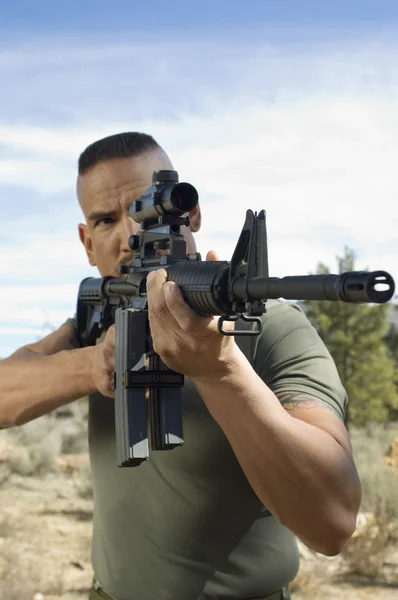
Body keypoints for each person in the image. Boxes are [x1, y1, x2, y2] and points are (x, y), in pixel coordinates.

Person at [0, 132, 362, 600]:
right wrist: (95, 363)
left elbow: (331, 523)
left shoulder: (270, 328)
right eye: (106, 220)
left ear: (189, 215)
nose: (130, 233)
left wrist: (221, 371)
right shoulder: (97, 320)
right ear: (88, 243)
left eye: (142, 209)